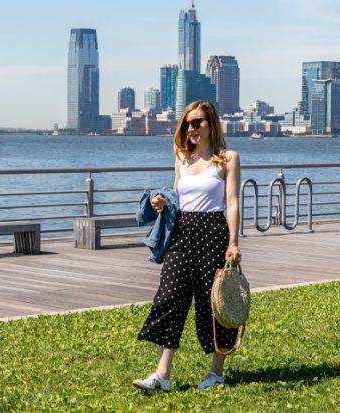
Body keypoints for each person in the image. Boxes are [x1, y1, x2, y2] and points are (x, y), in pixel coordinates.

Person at [133, 100, 242, 392]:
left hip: (213, 233)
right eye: (187, 124)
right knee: (169, 298)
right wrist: (160, 202)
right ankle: (162, 376)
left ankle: (215, 373)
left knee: (214, 305)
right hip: (181, 232)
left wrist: (233, 241)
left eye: (197, 123)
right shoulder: (182, 156)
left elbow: (231, 202)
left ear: (211, 125)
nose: (191, 128)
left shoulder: (227, 158)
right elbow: (176, 195)